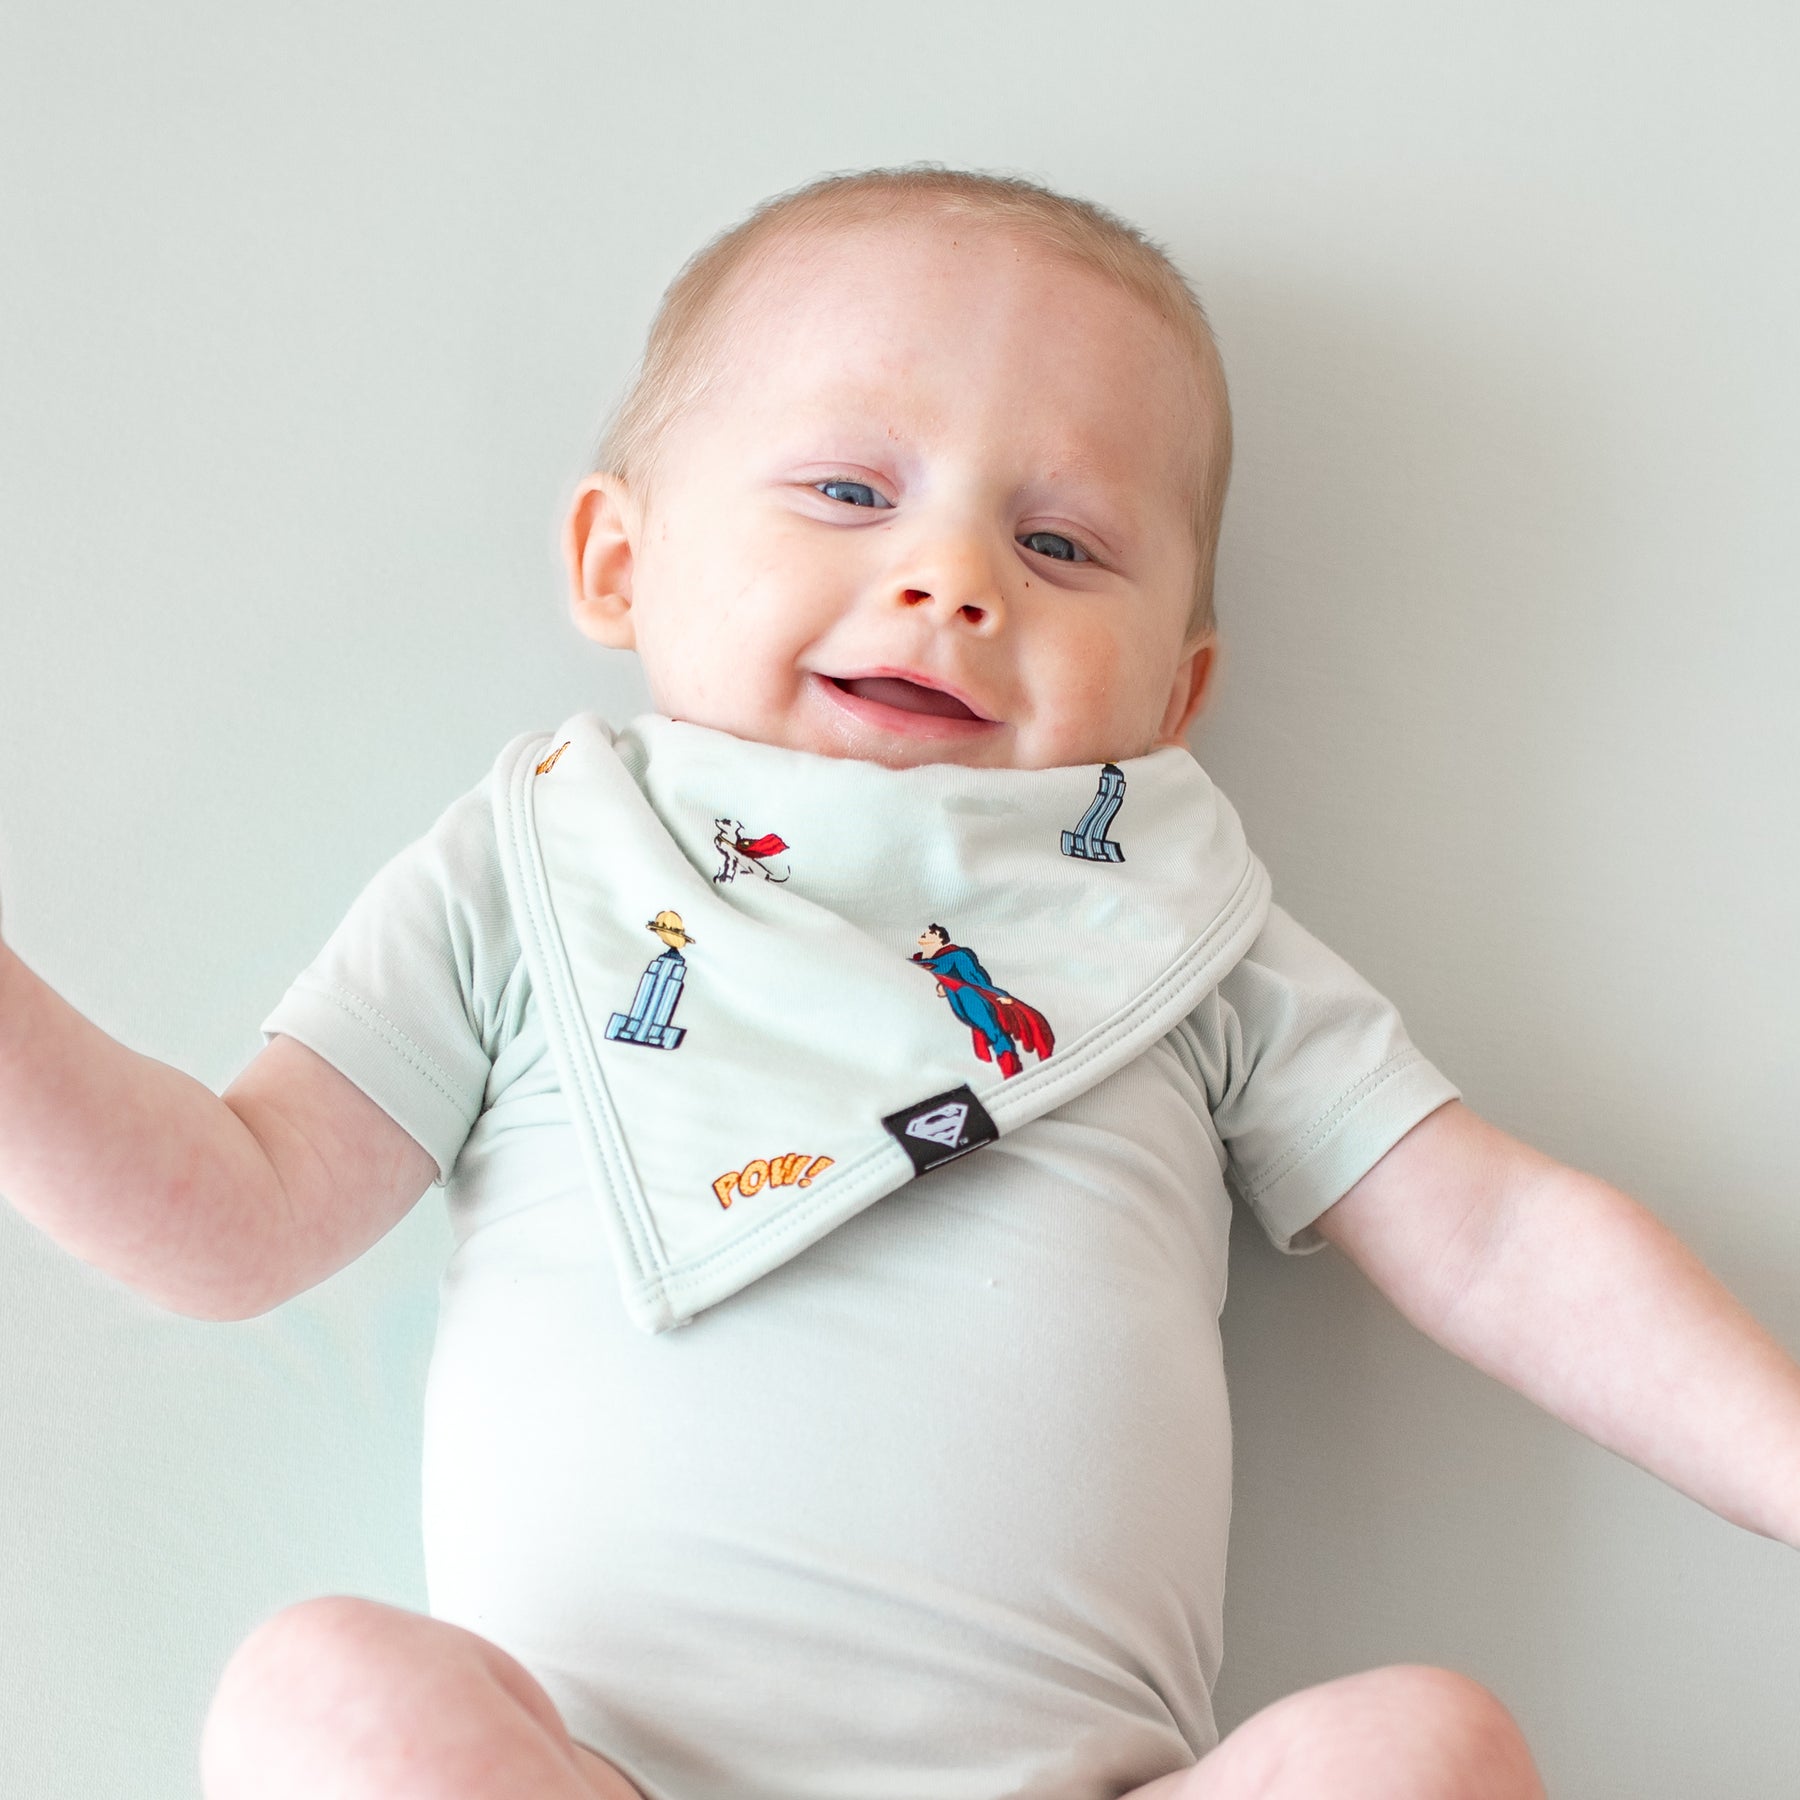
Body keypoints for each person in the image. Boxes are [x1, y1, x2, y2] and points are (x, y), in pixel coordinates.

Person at [3, 166, 1797, 1800]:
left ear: (1176, 694)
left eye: (1063, 545)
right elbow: (229, 1219)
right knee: (322, 1697)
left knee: (1429, 1753)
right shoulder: (538, 872)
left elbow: (1502, 1240)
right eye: (851, 492)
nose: (948, 581)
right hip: (592, 1775)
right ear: (618, 562)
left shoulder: (1188, 935)